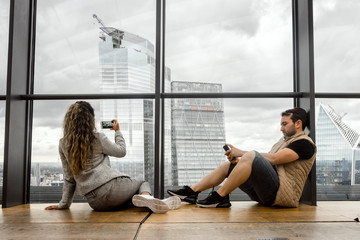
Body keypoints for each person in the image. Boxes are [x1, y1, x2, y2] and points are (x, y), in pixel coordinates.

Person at [45, 101, 180, 213]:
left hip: (96, 203)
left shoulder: (63, 143)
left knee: (132, 200)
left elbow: (69, 179)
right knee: (142, 183)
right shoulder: (97, 138)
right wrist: (117, 131)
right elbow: (121, 151)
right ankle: (149, 200)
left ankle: (147, 202)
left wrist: (64, 204)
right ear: (90, 120)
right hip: (111, 189)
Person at [168, 107, 316, 208]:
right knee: (230, 166)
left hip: (282, 196)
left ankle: (219, 196)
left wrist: (241, 152)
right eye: (281, 124)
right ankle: (192, 192)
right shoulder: (282, 142)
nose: (281, 128)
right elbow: (269, 167)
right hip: (265, 193)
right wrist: (239, 163)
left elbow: (275, 159)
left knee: (252, 154)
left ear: (298, 124)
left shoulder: (304, 143)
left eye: (284, 124)